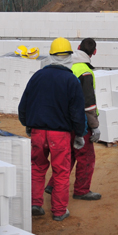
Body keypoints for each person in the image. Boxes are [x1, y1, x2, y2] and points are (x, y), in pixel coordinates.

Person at [18, 37, 86, 222]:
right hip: (60, 135)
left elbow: (23, 105)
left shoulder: (37, 76)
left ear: (51, 56)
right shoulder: (71, 80)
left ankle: (35, 203)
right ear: (69, 57)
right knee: (61, 172)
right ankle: (58, 211)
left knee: (37, 167)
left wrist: (27, 125)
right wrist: (79, 134)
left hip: (38, 132)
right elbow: (77, 112)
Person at [44, 37, 101, 201]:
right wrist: (94, 126)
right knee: (86, 156)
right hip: (80, 121)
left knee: (69, 154)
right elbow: (88, 103)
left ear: (77, 47)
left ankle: (53, 184)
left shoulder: (67, 65)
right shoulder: (85, 71)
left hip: (62, 119)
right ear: (94, 52)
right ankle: (82, 190)